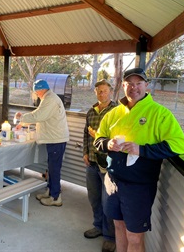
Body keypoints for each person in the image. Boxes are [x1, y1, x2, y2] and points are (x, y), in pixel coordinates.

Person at [94, 68, 184, 252]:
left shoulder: (159, 113)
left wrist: (142, 150)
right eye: (130, 84)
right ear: (123, 86)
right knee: (119, 228)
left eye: (138, 83)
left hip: (139, 185)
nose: (134, 88)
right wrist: (108, 144)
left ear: (147, 85)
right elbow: (98, 139)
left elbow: (179, 145)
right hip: (112, 180)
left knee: (134, 237)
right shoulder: (113, 113)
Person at [15, 79, 69, 206]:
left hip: (56, 139)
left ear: (40, 90)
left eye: (36, 91)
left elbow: (39, 116)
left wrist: (21, 118)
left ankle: (55, 198)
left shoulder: (50, 99)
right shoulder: (48, 98)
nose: (36, 94)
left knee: (54, 169)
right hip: (54, 138)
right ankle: (50, 191)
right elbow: (40, 115)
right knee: (51, 168)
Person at [83, 79, 117, 252]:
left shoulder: (117, 111)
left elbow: (118, 137)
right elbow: (85, 135)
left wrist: (98, 135)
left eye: (104, 91)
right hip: (92, 162)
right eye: (98, 91)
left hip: (108, 163)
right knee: (94, 198)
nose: (101, 93)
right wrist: (85, 152)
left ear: (110, 91)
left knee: (108, 201)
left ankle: (110, 237)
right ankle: (98, 226)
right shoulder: (91, 111)